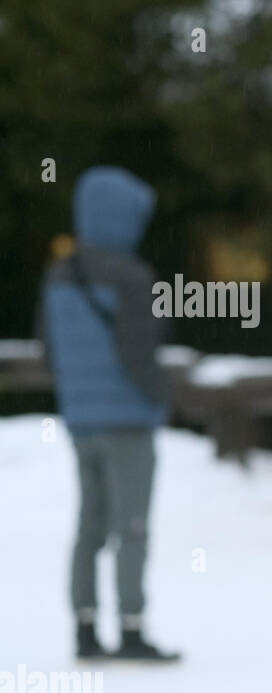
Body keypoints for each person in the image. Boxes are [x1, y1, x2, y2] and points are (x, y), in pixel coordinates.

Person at [35, 166, 179, 662]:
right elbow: (140, 356)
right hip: (128, 423)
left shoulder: (60, 273)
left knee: (89, 526)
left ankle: (84, 628)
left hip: (82, 422)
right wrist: (162, 396)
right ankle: (133, 629)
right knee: (131, 527)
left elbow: (49, 352)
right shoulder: (131, 277)